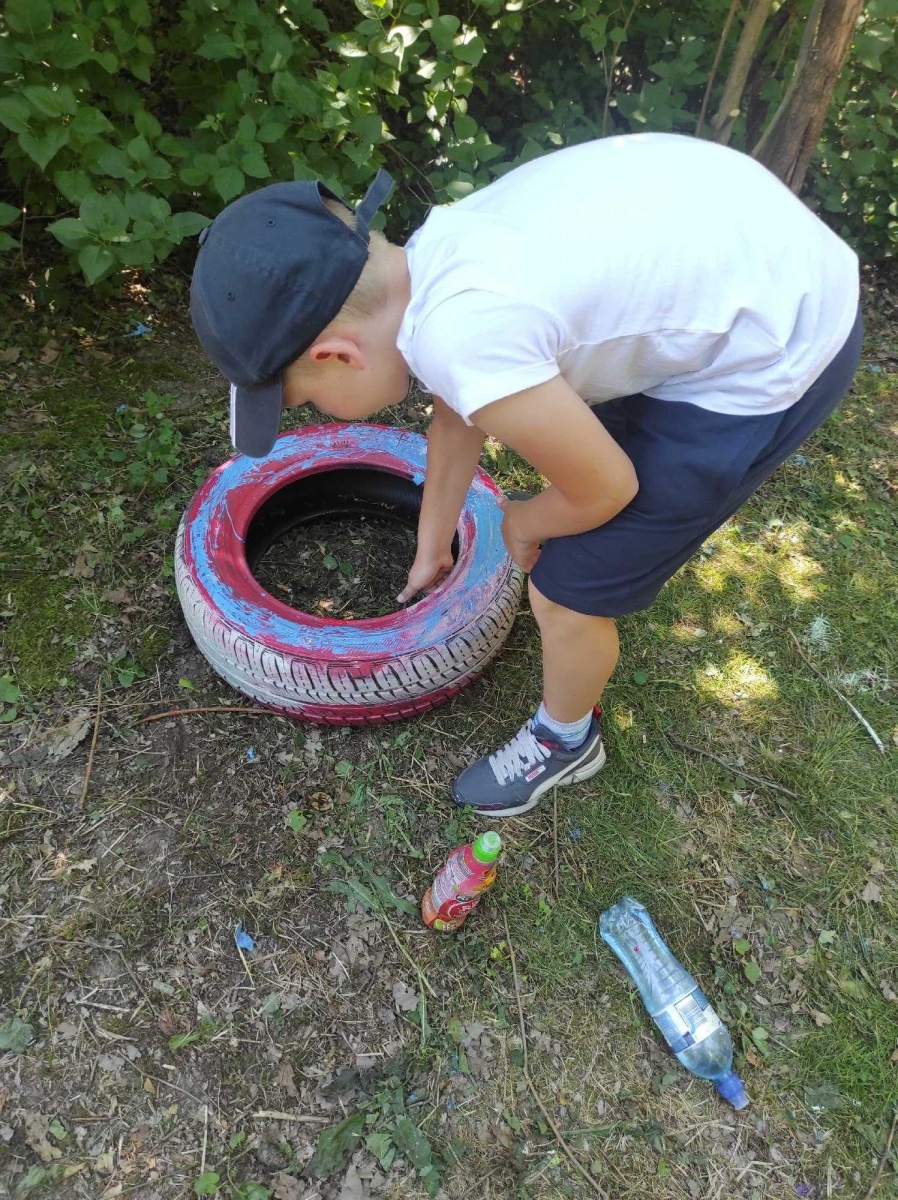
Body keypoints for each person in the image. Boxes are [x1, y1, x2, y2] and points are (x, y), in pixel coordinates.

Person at [190, 133, 861, 819]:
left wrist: (525, 520)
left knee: (565, 589)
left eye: (306, 401)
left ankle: (565, 740)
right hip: (750, 253)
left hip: (782, 340)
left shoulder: (465, 337)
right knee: (584, 470)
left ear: (338, 355)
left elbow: (607, 489)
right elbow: (455, 414)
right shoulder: (436, 259)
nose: (315, 414)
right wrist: (433, 540)